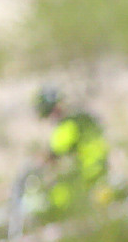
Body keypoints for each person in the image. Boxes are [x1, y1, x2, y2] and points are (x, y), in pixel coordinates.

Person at [36, 85, 110, 219]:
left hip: (88, 174)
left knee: (57, 197)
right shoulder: (82, 117)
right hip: (100, 169)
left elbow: (53, 152)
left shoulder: (68, 125)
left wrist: (40, 163)